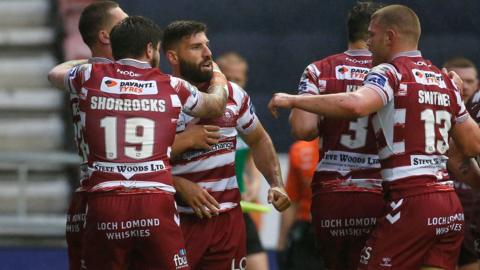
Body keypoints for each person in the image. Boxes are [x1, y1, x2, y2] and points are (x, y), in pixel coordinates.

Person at [269, 4, 480, 269]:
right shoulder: (444, 78)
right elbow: (473, 144)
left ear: (389, 36)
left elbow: (337, 114)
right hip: (445, 200)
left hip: (392, 197)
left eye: (374, 35)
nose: (370, 43)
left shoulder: (385, 71)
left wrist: (294, 100)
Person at [48, 16, 229, 269]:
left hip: (105, 200)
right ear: (149, 49)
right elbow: (215, 105)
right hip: (154, 199)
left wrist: (94, 61)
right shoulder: (172, 85)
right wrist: (219, 78)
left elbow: (54, 73)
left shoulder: (90, 75)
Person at [162, 20, 291, 270]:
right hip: (176, 220)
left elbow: (259, 139)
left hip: (227, 221)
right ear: (173, 56)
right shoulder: (161, 96)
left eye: (207, 45)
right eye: (196, 47)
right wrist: (177, 184)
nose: (208, 53)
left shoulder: (234, 94)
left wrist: (277, 183)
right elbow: (137, 161)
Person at [285, 2, 384, 269]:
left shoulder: (319, 69)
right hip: (381, 191)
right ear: (379, 32)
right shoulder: (394, 73)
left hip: (332, 193)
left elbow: (303, 129)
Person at [58, 2, 128, 269]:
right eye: (124, 23)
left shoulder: (83, 75)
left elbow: (55, 73)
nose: (132, 27)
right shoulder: (114, 81)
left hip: (86, 195)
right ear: (105, 36)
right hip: (117, 199)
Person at [217, 51, 269, 270]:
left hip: (241, 207)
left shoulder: (246, 114)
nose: (233, 85)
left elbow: (250, 155)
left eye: (238, 80)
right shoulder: (203, 111)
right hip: (212, 209)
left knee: (259, 263)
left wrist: (254, 182)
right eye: (228, 78)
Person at [444, 57, 480, 270]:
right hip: (439, 205)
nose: (464, 86)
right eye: (459, 80)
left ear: (477, 84)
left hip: (471, 208)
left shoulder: (476, 113)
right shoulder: (428, 114)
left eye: (470, 81)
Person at [277, 138, 325, 270]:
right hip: (307, 232)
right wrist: (281, 243)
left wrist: (281, 244)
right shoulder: (300, 151)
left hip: (338, 232)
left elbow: (292, 201)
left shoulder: (300, 150)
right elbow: (292, 201)